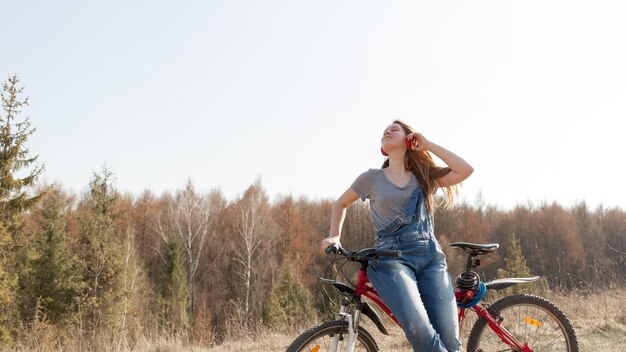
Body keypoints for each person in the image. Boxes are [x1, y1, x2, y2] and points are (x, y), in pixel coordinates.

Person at [321, 120, 473, 352]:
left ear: (409, 140)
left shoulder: (423, 177)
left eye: (395, 129)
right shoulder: (371, 178)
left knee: (451, 341)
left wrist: (428, 145)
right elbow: (341, 203)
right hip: (392, 259)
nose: (388, 130)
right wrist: (334, 236)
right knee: (421, 331)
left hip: (431, 259)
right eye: (385, 129)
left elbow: (465, 170)